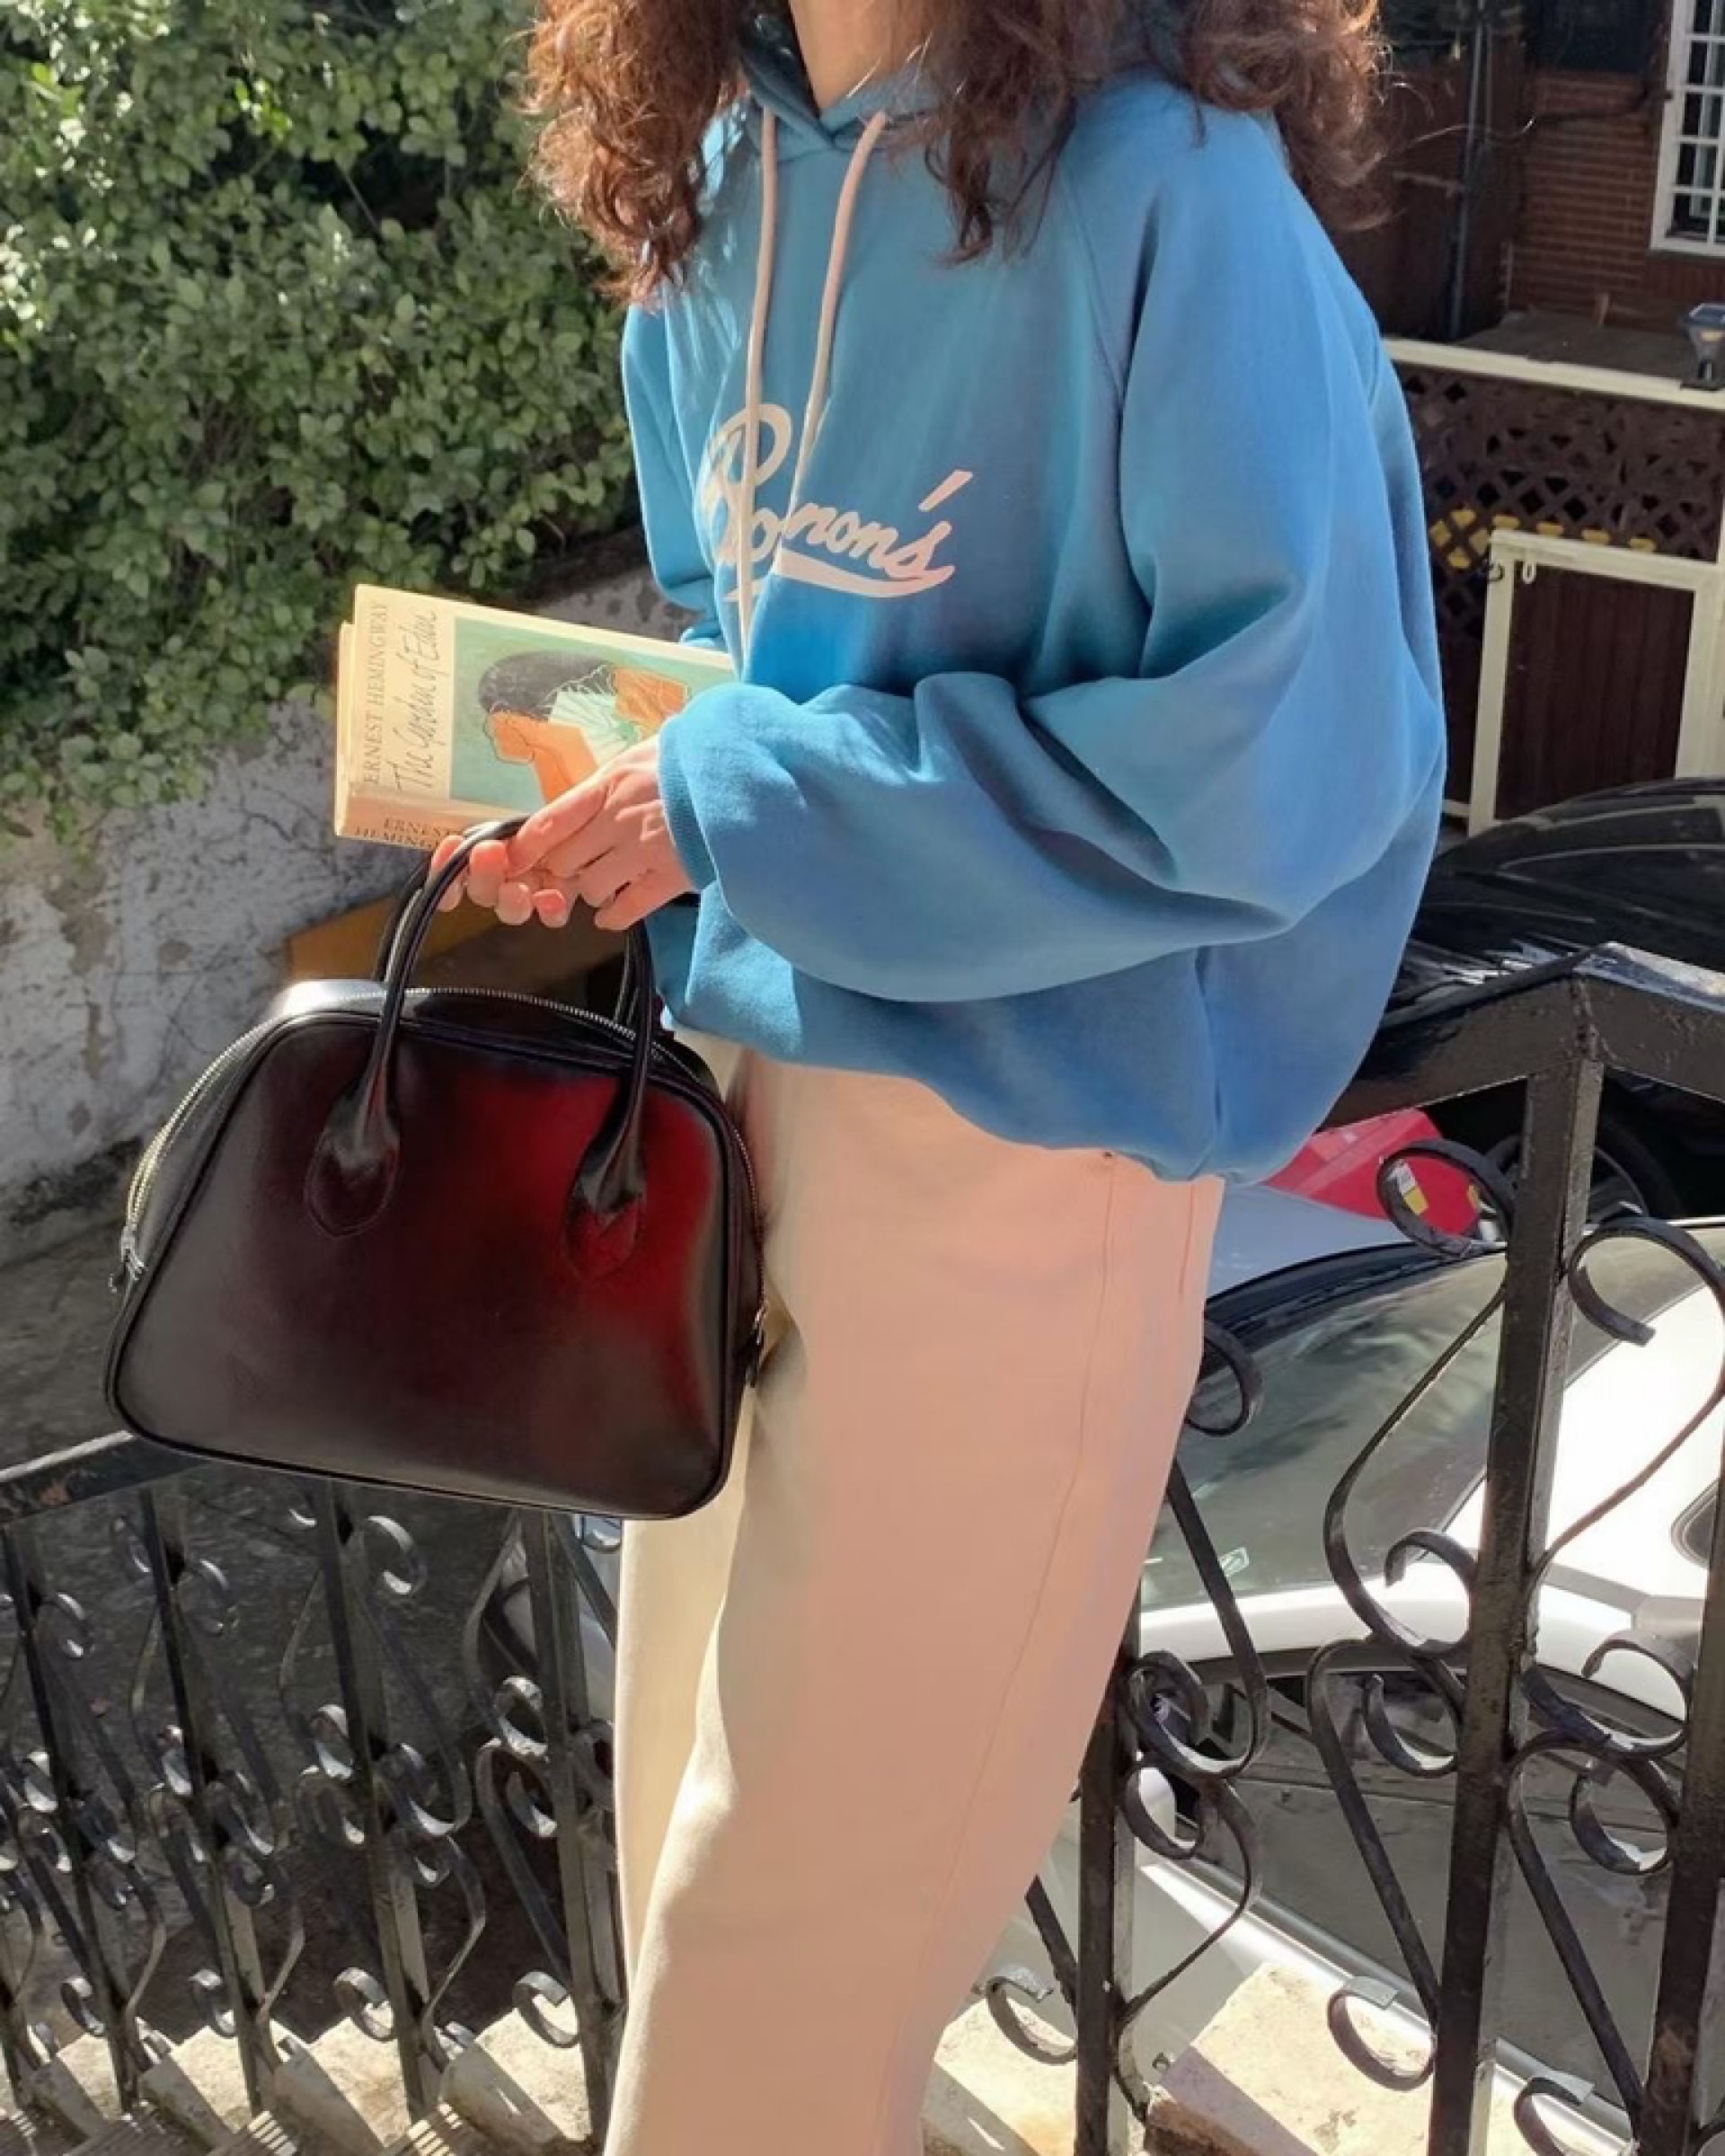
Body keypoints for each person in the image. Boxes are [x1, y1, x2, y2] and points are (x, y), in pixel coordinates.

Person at [432, 0, 1446, 2145]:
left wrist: (738, 797)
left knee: (780, 1948)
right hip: (734, 1106)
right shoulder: (720, 180)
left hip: (1031, 1147)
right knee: (675, 1832)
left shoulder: (1174, 195)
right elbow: (740, 653)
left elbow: (1288, 758)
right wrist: (613, 800)